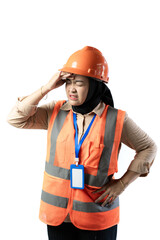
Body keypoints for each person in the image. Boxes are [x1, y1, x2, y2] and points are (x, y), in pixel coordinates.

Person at [7, 46, 157, 240]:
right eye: (68, 82)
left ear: (95, 85)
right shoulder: (56, 111)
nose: (71, 89)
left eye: (79, 83)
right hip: (58, 217)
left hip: (97, 216)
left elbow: (148, 147)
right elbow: (16, 119)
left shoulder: (116, 119)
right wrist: (47, 87)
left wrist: (121, 185)